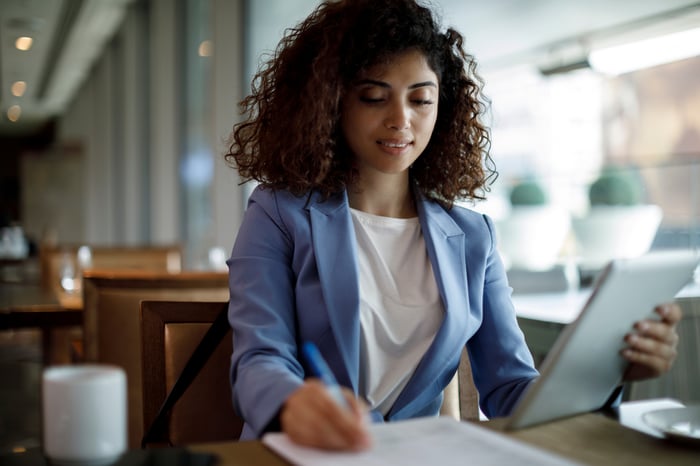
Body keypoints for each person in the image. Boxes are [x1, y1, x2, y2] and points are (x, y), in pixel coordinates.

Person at [224, 0, 681, 451]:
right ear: (330, 102)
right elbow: (259, 359)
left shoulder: (473, 237)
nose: (402, 120)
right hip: (307, 455)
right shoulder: (277, 212)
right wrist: (293, 404)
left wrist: (608, 372)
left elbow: (512, 389)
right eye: (374, 97)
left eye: (421, 99)